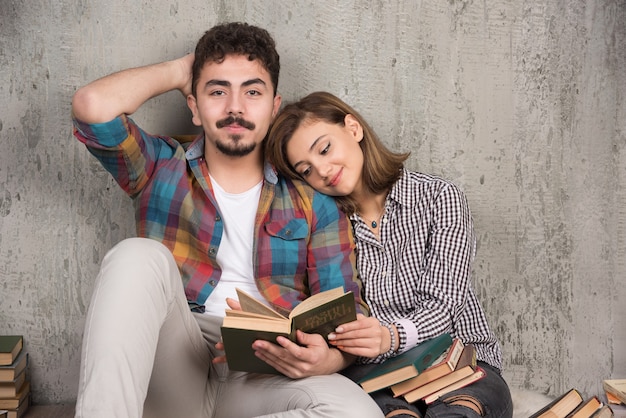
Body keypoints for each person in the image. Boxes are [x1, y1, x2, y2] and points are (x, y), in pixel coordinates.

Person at [71, 23, 384, 418]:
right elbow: (91, 107)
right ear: (194, 106)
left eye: (252, 92)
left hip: (266, 373)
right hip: (177, 363)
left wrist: (328, 360)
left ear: (273, 107)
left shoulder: (312, 199)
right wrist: (179, 71)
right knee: (135, 256)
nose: (235, 107)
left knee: (360, 414)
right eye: (217, 91)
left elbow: (345, 312)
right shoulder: (159, 167)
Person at [265, 91, 514, 418]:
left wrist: (389, 336)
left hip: (460, 363)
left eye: (325, 149)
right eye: (307, 170)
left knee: (463, 412)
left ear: (353, 129)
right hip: (376, 377)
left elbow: (444, 306)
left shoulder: (439, 198)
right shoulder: (327, 229)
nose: (323, 170)